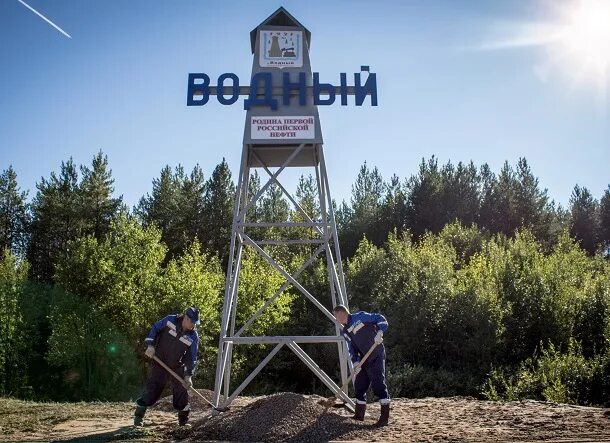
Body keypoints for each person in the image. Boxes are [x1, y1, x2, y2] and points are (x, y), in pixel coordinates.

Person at [133, 306, 200, 427]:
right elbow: (155, 328)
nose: (194, 326)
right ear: (186, 318)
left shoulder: (193, 336)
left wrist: (188, 375)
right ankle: (139, 416)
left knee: (182, 391)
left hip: (176, 366)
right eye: (193, 322)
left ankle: (183, 422)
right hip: (159, 362)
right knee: (153, 388)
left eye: (196, 323)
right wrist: (150, 345)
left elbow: (191, 358)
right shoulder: (170, 320)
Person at [333, 304, 390, 427]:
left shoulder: (360, 316)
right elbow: (351, 348)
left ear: (341, 313)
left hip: (376, 353)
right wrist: (356, 362)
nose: (336, 319)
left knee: (378, 383)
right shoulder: (345, 331)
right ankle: (359, 415)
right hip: (364, 359)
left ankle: (384, 418)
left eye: (336, 316)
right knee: (359, 385)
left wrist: (380, 331)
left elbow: (380, 318)